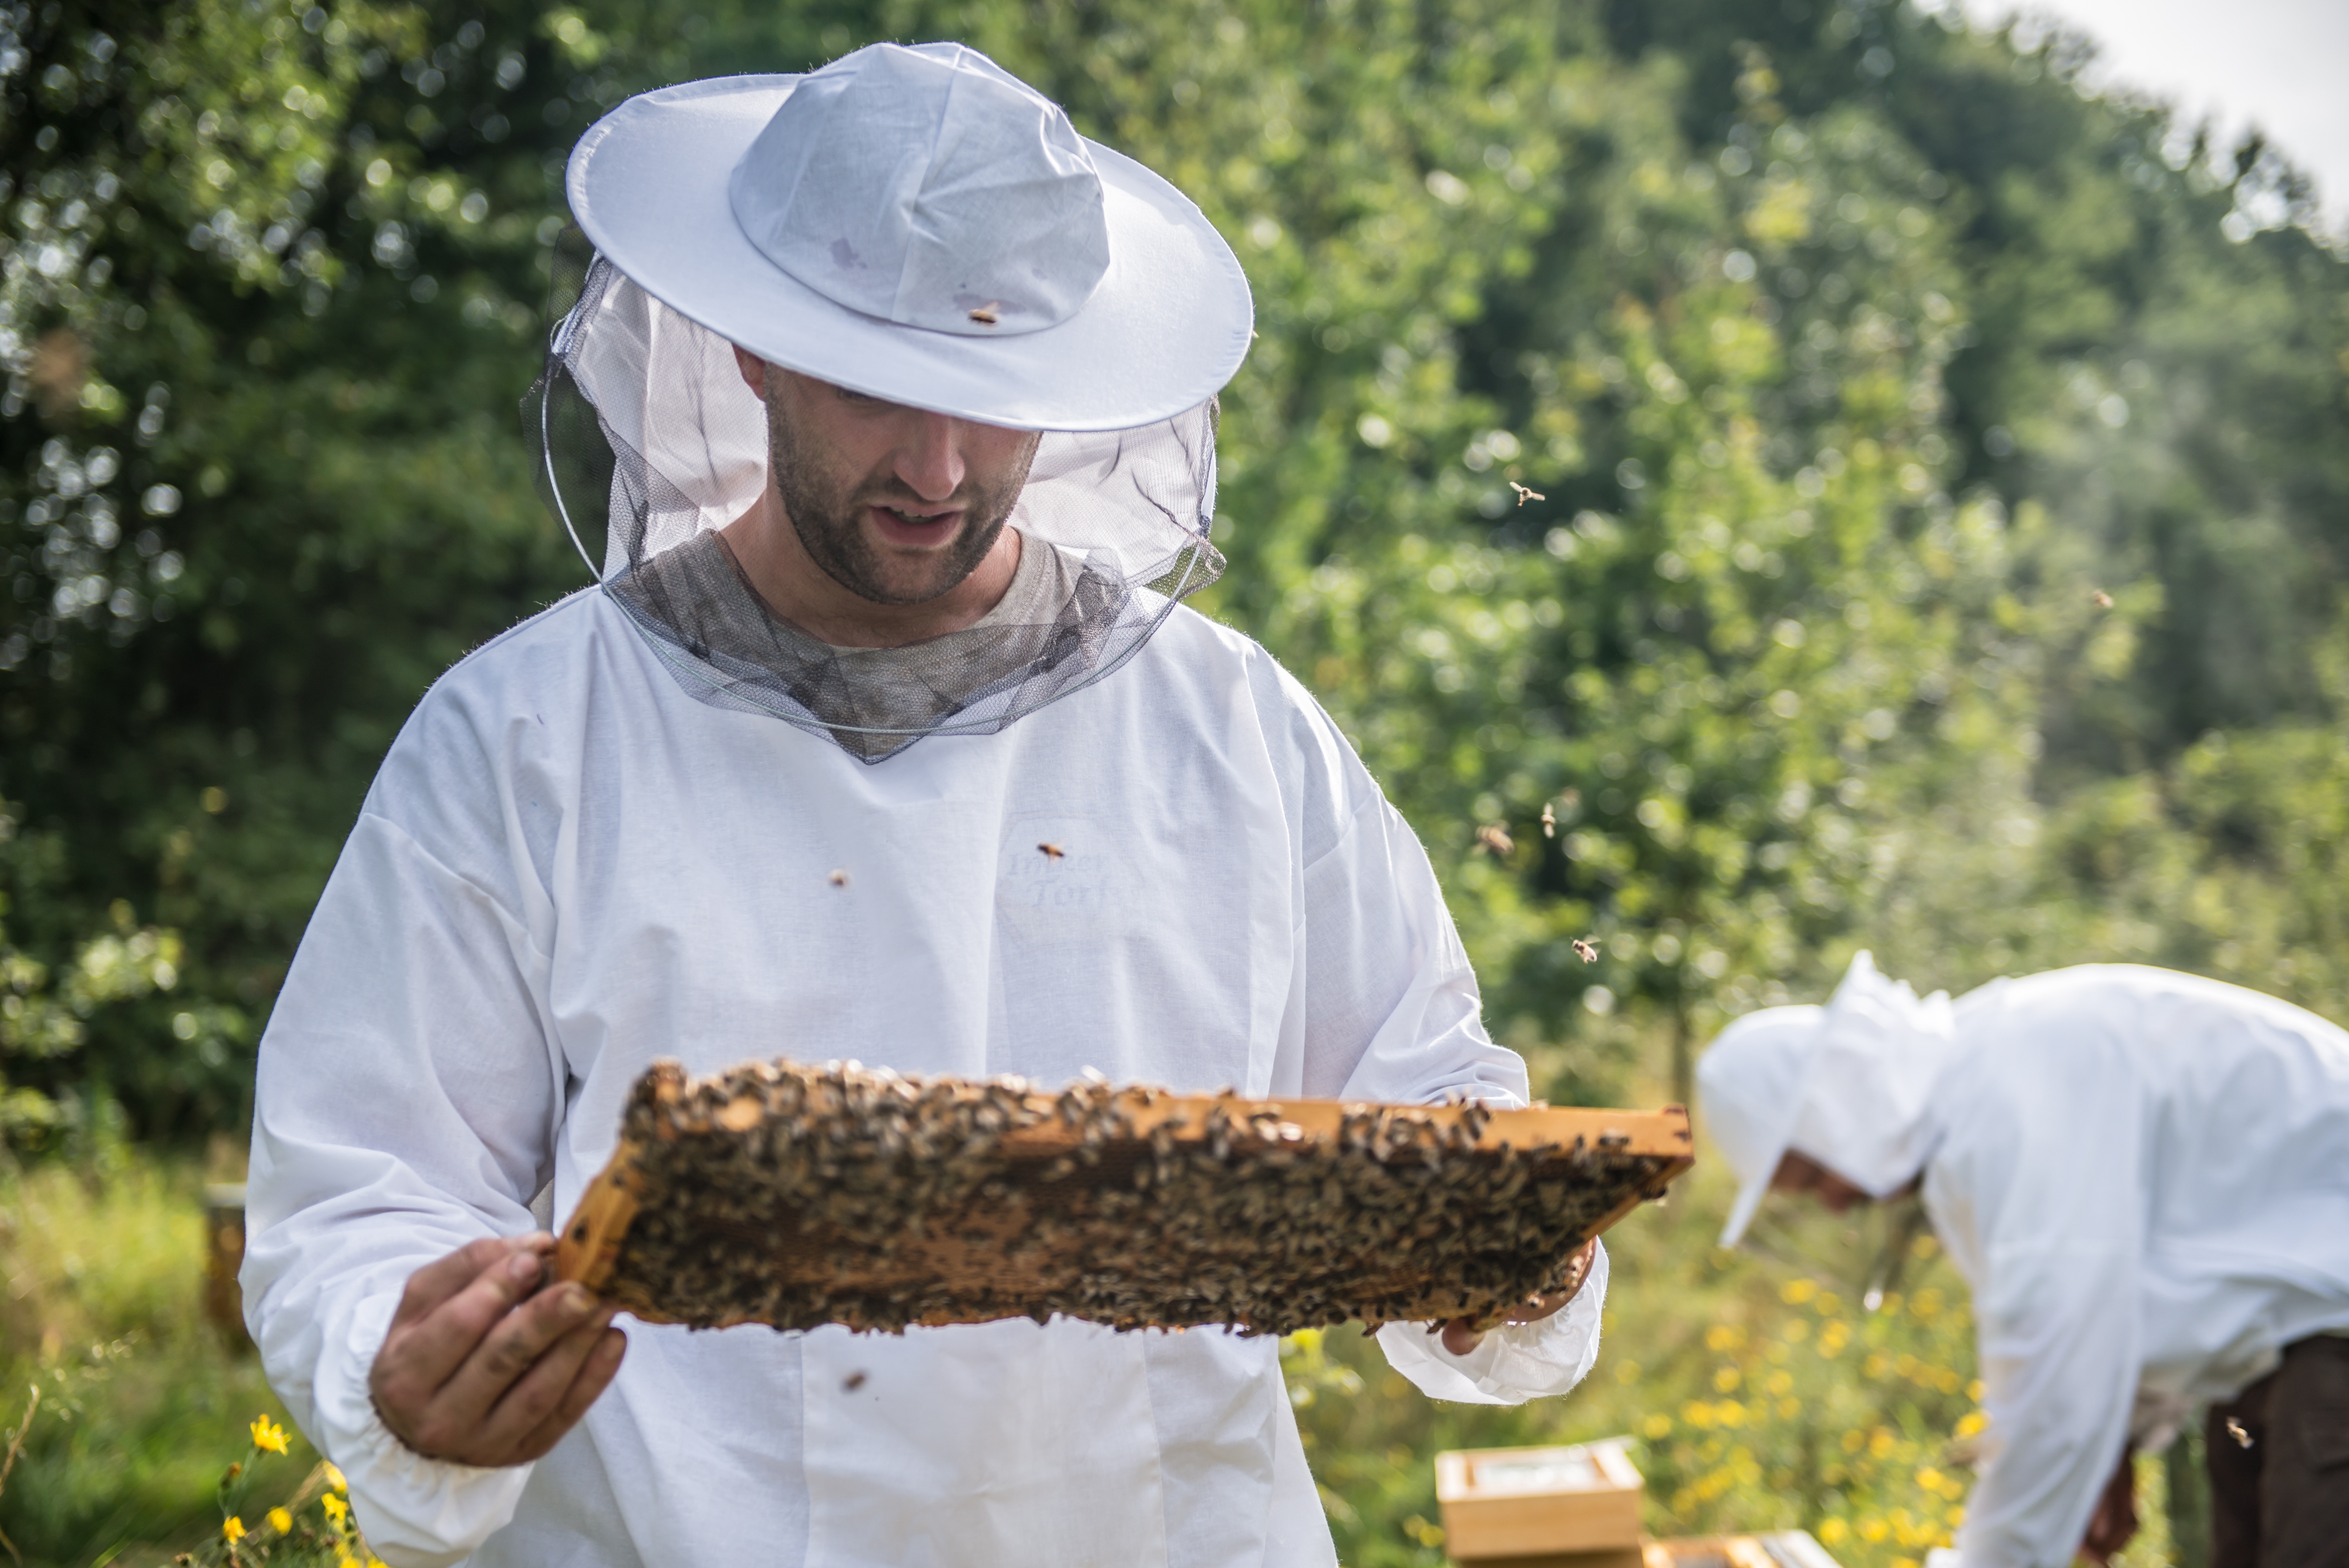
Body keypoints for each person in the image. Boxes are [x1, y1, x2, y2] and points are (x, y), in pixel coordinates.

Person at [240, 42, 1605, 1568]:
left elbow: (1425, 1090)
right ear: (750, 346)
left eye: (995, 397)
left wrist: (1511, 1246)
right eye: (882, 387)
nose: (940, 465)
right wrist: (401, 1353)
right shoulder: (522, 737)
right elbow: (365, 1185)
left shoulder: (1231, 727)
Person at [1697, 952, 2349, 1568]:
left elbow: (2055, 1371)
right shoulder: (1983, 1095)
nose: (1836, 1205)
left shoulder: (2007, 1095)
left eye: (1814, 1175)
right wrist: (2115, 1443)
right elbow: (2144, 1290)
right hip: (2275, 1363)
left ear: (1830, 1111)